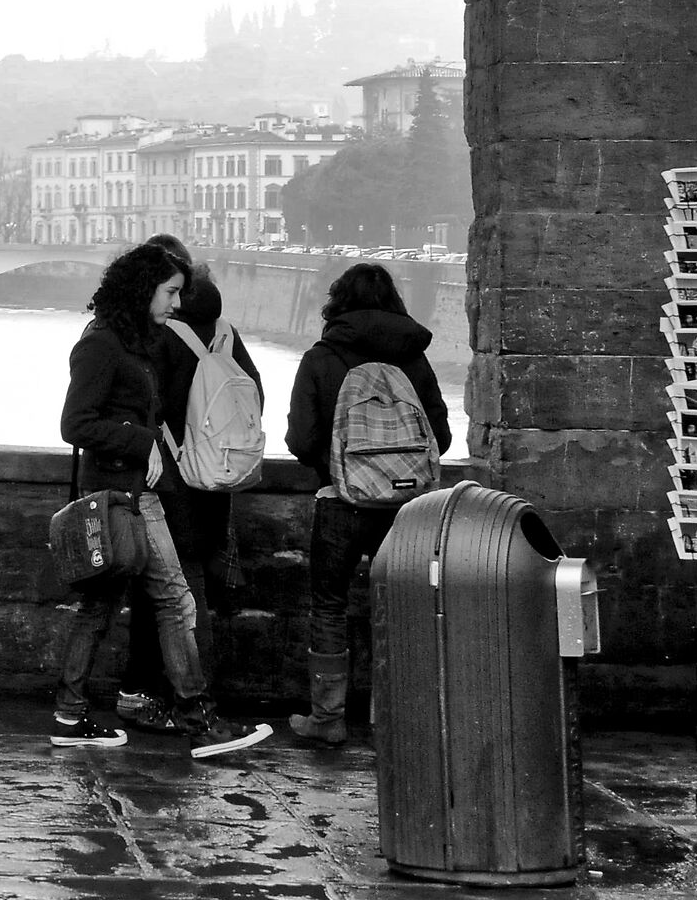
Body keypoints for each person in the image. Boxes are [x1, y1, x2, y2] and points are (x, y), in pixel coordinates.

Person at [53, 244, 270, 758]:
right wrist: (141, 440)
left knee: (104, 605)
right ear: (142, 287)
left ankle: (70, 713)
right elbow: (74, 424)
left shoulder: (137, 342)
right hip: (116, 493)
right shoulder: (101, 345)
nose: (176, 302)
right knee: (172, 599)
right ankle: (199, 720)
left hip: (137, 490)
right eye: (170, 291)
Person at [282, 262, 453, 746]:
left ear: (338, 302)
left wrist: (338, 466)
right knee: (399, 607)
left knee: (330, 606)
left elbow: (301, 437)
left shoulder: (321, 358)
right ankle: (394, 716)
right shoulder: (414, 361)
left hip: (339, 501)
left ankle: (328, 718)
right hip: (406, 510)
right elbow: (439, 435)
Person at [104, 261, 262, 734]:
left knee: (180, 595)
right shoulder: (228, 335)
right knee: (194, 592)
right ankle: (190, 699)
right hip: (219, 481)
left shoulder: (165, 338)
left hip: (173, 480)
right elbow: (254, 399)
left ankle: (190, 700)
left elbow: (154, 407)